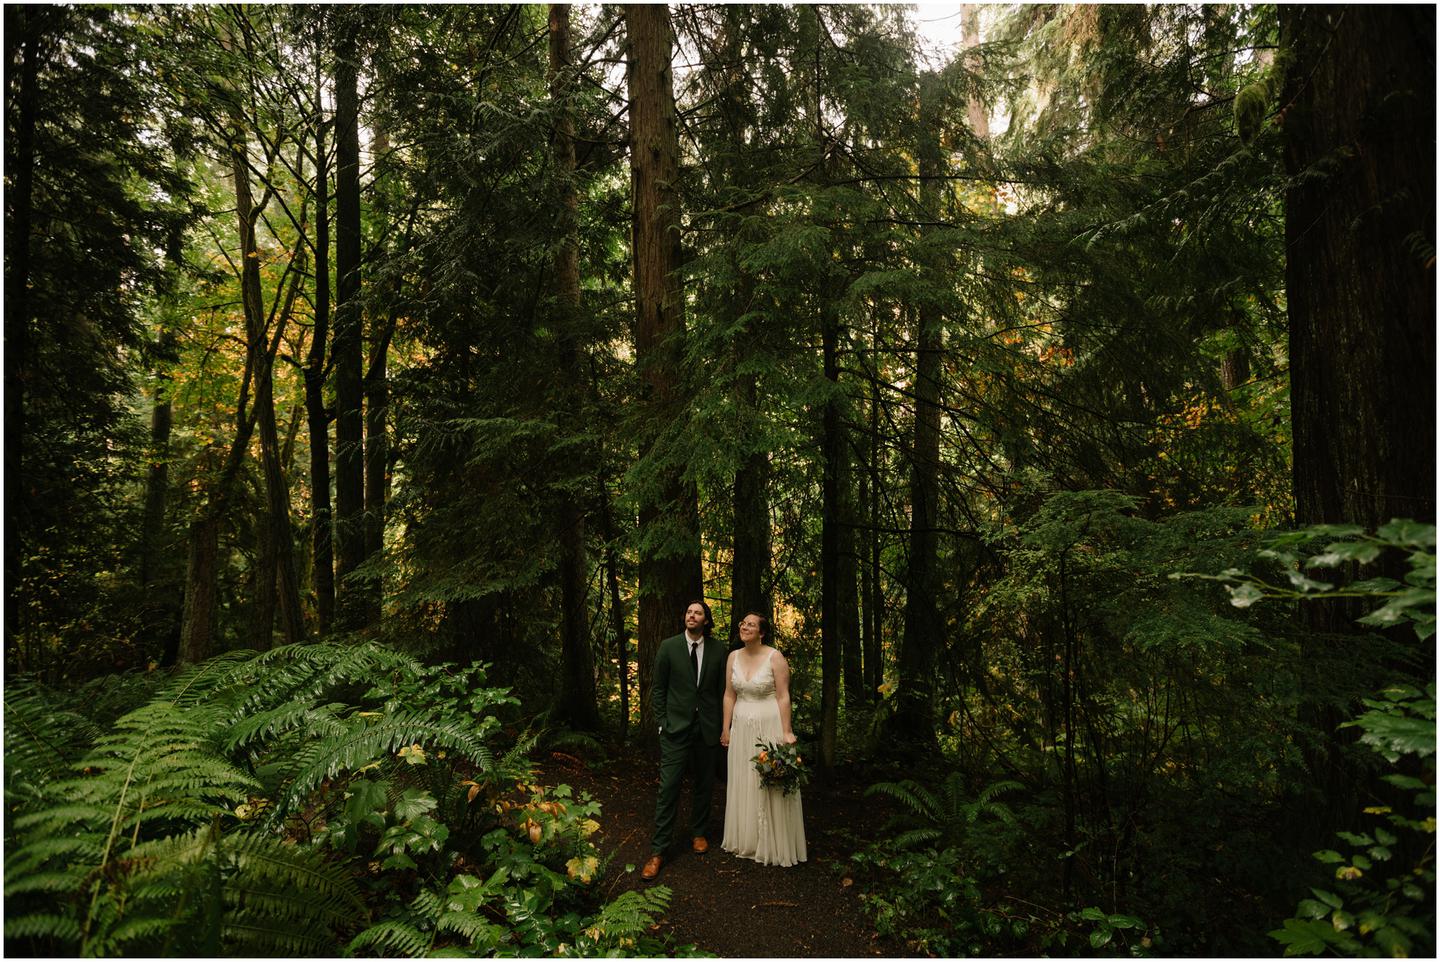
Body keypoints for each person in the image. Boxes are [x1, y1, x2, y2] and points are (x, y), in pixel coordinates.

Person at [643, 599, 727, 880]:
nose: (692, 615)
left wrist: (720, 726)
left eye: (698, 612)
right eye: (689, 611)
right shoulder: (669, 647)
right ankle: (658, 850)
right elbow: (658, 688)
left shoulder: (718, 650)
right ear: (685, 617)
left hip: (707, 729)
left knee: (704, 783)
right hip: (675, 730)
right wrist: (662, 723)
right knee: (668, 787)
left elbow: (721, 692)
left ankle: (699, 833)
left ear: (706, 620)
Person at [720, 611, 806, 867]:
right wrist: (727, 728)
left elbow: (783, 696)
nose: (744, 627)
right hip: (741, 726)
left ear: (762, 632)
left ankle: (773, 843)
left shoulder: (775, 657)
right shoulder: (733, 657)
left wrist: (787, 731)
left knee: (768, 780)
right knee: (743, 779)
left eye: (751, 625)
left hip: (769, 724)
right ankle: (745, 839)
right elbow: (728, 695)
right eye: (742, 623)